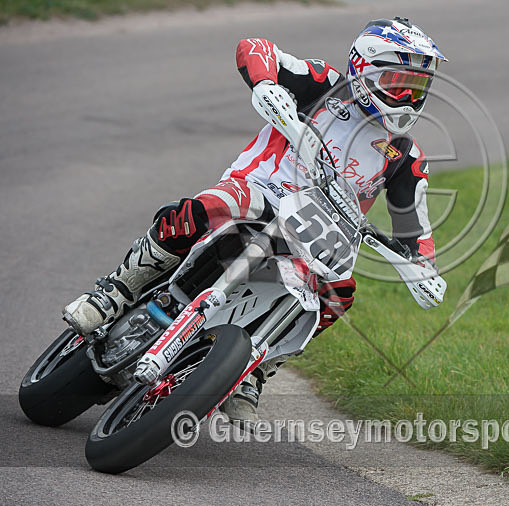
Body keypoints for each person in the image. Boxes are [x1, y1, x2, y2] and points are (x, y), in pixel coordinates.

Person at [63, 17, 446, 423]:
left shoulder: (406, 154)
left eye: (417, 87)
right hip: (259, 190)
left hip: (317, 235)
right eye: (398, 83)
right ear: (363, 68)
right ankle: (118, 289)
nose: (408, 97)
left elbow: (415, 226)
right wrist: (265, 85)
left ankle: (256, 366)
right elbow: (255, 48)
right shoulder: (323, 83)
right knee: (198, 211)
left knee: (341, 292)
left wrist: (423, 269)